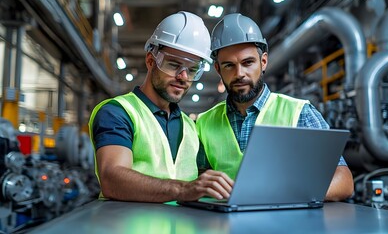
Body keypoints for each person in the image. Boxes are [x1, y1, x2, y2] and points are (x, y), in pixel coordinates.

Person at [196, 13, 354, 201]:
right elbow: (198, 178)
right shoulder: (204, 122)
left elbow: (344, 181)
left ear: (263, 62)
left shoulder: (299, 113)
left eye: (248, 63)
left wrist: (287, 195)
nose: (239, 74)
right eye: (229, 65)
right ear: (217, 69)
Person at [88, 11, 233, 203]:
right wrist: (182, 190)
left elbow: (197, 181)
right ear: (150, 61)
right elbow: (111, 178)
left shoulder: (190, 127)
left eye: (192, 70)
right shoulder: (118, 112)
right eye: (174, 65)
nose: (183, 77)